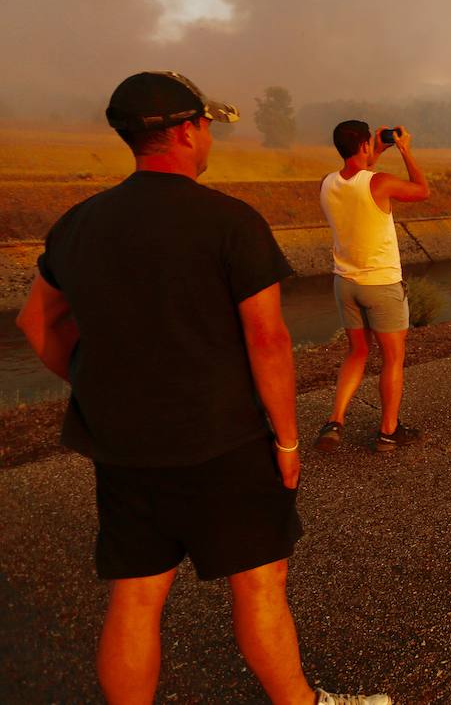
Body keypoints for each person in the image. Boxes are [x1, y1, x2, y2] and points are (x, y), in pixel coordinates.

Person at [16, 71, 388, 705]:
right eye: (207, 125)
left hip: (124, 445)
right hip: (226, 440)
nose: (209, 136)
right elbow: (267, 340)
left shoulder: (79, 223)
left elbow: (36, 322)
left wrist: (89, 382)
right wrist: (290, 441)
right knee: (260, 583)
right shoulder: (229, 222)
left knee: (136, 594)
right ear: (187, 130)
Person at [315, 121, 430, 453]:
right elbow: (422, 190)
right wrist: (405, 148)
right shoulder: (379, 183)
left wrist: (376, 149)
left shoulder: (326, 183)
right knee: (393, 358)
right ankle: (387, 432)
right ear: (364, 145)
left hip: (345, 283)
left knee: (357, 352)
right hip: (381, 284)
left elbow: (357, 178)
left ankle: (334, 421)